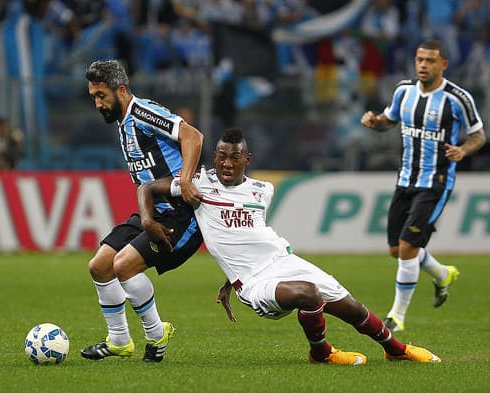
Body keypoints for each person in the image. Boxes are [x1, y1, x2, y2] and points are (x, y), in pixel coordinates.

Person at [138, 128, 441, 365]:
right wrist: (148, 221)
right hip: (255, 284)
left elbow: (247, 238)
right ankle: (321, 353)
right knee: (308, 294)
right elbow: (147, 187)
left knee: (351, 306)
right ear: (215, 156)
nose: (226, 163)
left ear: (248, 159)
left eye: (234, 157)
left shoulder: (262, 190)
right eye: (221, 156)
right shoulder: (198, 183)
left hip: (285, 260)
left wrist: (225, 279)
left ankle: (396, 350)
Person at [81, 59, 204, 363]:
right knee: (99, 266)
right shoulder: (124, 123)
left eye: (101, 96)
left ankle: (155, 334)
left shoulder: (143, 112)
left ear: (120, 90)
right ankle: (120, 340)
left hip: (179, 214)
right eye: (93, 97)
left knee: (123, 266)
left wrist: (186, 180)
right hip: (152, 210)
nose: (97, 104)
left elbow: (193, 136)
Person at [361, 39, 486, 332]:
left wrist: (463, 150)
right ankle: (442, 274)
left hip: (436, 183)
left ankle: (397, 317)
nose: (423, 65)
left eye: (430, 61)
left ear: (444, 64)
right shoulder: (404, 91)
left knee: (407, 247)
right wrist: (374, 121)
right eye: (419, 59)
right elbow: (388, 121)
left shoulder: (458, 98)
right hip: (405, 179)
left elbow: (479, 135)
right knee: (397, 249)